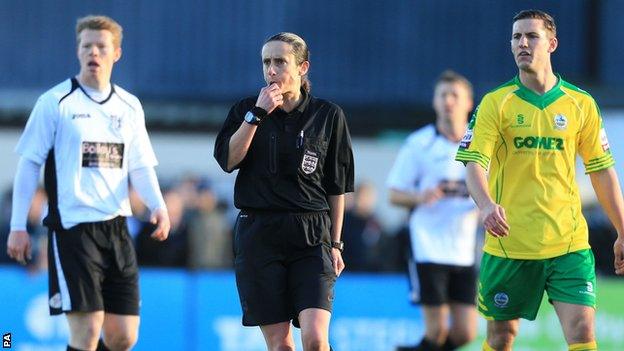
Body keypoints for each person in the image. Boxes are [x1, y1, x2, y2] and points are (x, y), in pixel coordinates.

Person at [455, 9, 624, 351]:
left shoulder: (580, 104)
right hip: (510, 244)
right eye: (516, 37)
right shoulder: (495, 103)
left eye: (531, 36)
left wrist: (622, 229)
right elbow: (474, 164)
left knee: (582, 331)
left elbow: (601, 169)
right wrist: (486, 205)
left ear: (552, 44)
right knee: (501, 338)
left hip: (569, 242)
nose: (522, 43)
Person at [6, 15, 170, 351]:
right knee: (87, 329)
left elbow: (140, 165)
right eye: (86, 46)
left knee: (123, 336)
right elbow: (28, 164)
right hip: (73, 229)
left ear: (116, 53)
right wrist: (18, 224)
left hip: (117, 228)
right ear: (78, 51)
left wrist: (159, 206)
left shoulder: (129, 106)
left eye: (101, 46)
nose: (93, 52)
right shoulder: (56, 102)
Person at [214, 32, 354, 351]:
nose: (272, 70)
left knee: (317, 340)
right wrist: (256, 116)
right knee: (281, 345)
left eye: (280, 62)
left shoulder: (328, 115)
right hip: (259, 234)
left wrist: (336, 243)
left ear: (303, 67)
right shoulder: (245, 110)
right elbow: (228, 160)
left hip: (312, 234)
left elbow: (337, 186)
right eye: (267, 62)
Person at [388, 70, 479, 351]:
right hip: (428, 247)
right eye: (443, 95)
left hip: (464, 249)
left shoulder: (481, 144)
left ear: (468, 102)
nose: (448, 101)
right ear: (434, 102)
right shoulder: (419, 144)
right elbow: (393, 194)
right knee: (437, 331)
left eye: (455, 95)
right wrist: (419, 196)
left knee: (465, 333)